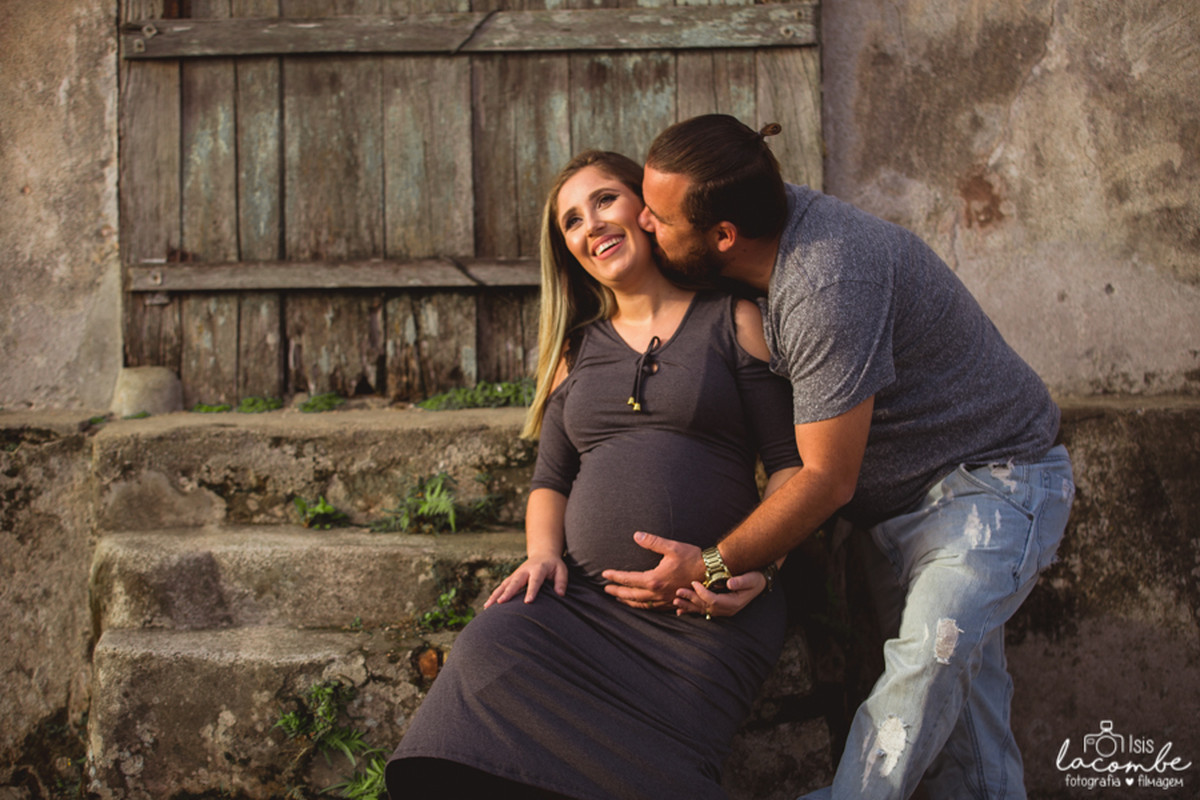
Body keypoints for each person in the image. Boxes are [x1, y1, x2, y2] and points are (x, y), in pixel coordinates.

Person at [601, 114, 1075, 800]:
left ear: (723, 236)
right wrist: (762, 556)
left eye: (659, 217)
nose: (644, 222)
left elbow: (824, 477)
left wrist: (712, 563)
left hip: (994, 488)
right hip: (898, 511)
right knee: (967, 748)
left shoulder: (824, 281)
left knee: (928, 665)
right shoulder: (752, 233)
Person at [383, 149, 803, 800]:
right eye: (571, 221)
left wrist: (743, 568)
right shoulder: (575, 352)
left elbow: (789, 469)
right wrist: (541, 554)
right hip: (579, 607)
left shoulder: (733, 319)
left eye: (604, 200)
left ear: (648, 209)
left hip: (705, 611)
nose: (591, 225)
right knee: (491, 645)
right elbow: (550, 480)